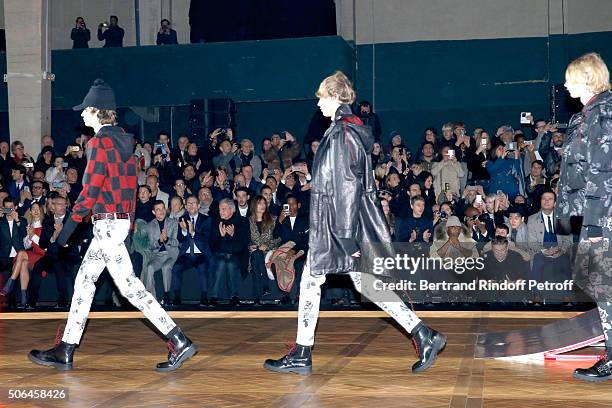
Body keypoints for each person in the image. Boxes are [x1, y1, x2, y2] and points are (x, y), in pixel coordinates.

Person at [264, 71, 446, 376]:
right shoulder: (345, 130)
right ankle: (423, 334)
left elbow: (347, 186)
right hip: (338, 224)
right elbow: (340, 178)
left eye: (321, 96)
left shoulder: (342, 133)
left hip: (337, 226)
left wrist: (346, 238)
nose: (318, 102)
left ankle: (303, 354)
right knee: (358, 283)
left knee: (314, 280)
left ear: (335, 97)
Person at [28, 79, 197, 372]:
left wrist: (63, 236)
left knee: (130, 289)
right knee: (86, 282)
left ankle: (178, 338)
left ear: (97, 111)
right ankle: (66, 348)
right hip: (115, 224)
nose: (81, 115)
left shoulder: (98, 144)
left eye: (85, 110)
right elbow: (131, 190)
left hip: (106, 225)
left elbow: (89, 192)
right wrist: (128, 224)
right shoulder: (126, 145)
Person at [554, 53, 612, 381]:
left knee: (602, 282)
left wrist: (594, 224)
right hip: (593, 213)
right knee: (596, 281)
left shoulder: (603, 114)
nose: (564, 85)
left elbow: (603, 173)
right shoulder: (588, 113)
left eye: (569, 78)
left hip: (603, 215)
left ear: (587, 78)